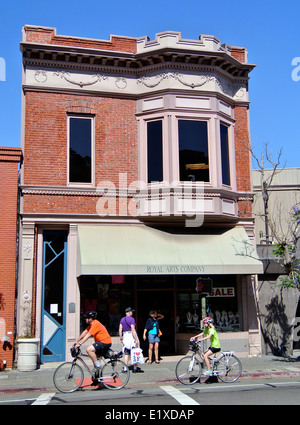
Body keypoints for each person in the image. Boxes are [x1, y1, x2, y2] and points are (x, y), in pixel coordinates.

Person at [74, 311, 112, 378]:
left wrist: (80, 344)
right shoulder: (91, 325)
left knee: (89, 349)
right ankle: (96, 378)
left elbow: (88, 335)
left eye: (86, 318)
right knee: (95, 358)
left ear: (90, 319)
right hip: (101, 342)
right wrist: (76, 341)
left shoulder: (95, 323)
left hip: (105, 342)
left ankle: (98, 366)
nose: (85, 319)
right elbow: (85, 332)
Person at [119, 307, 144, 373]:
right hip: (131, 336)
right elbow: (133, 329)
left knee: (126, 353)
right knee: (135, 352)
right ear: (129, 312)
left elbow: (120, 330)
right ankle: (135, 367)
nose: (132, 313)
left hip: (125, 336)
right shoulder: (132, 319)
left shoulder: (122, 319)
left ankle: (125, 368)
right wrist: (136, 339)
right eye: (132, 312)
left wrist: (121, 339)